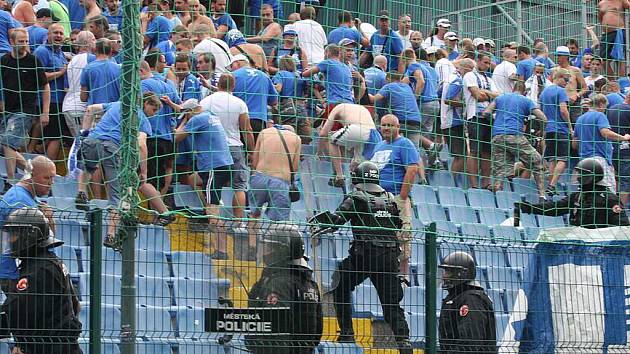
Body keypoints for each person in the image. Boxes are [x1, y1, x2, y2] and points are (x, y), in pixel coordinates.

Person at [309, 161, 412, 353]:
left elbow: (336, 220)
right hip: (389, 258)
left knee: (340, 283)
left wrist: (319, 222)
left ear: (357, 178)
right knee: (391, 305)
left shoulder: (356, 197)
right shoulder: (389, 198)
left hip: (363, 256)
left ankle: (347, 333)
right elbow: (397, 224)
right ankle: (404, 343)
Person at [76, 93, 174, 245]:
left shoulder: (118, 104)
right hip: (113, 148)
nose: (153, 114)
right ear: (145, 103)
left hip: (92, 140)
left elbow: (90, 109)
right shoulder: (142, 119)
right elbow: (141, 145)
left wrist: (84, 133)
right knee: (118, 195)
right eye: (153, 109)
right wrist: (144, 171)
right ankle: (110, 234)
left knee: (87, 167)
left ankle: (81, 192)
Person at [2, 208, 82, 354]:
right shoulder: (51, 262)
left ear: (29, 235)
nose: (9, 240)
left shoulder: (38, 270)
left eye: (13, 235)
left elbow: (13, 313)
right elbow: (76, 306)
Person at [245, 223, 323, 354]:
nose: (265, 252)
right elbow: (317, 333)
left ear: (281, 250)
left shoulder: (279, 283)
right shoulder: (311, 284)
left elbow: (273, 328)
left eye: (269, 248)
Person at [172, 100, 235, 259]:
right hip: (223, 165)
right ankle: (208, 207)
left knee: (213, 210)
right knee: (192, 180)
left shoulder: (196, 119)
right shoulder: (211, 116)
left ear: (190, 112)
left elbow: (176, 137)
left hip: (213, 167)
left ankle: (221, 250)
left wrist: (185, 120)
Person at [199, 72, 254, 245]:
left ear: (218, 84)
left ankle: (212, 220)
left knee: (213, 186)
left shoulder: (206, 102)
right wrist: (251, 151)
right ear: (234, 85)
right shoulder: (239, 103)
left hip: (213, 147)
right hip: (234, 146)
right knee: (239, 185)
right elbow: (247, 129)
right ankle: (238, 223)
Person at [368, 114, 419, 279]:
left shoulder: (405, 144)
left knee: (402, 237)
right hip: (379, 199)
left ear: (398, 127)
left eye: (390, 125)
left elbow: (412, 169)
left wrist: (402, 197)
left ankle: (402, 277)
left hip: (396, 198)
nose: (386, 128)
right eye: (384, 125)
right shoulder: (379, 146)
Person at [516, 157, 630, 228]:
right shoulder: (578, 196)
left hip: (601, 248)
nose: (579, 177)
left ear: (591, 176)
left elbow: (623, 226)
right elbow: (555, 208)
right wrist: (530, 208)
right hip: (581, 246)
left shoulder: (610, 199)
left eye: (582, 174)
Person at [0, 28, 50, 189]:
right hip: (7, 110)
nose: (25, 44)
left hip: (25, 110)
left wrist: (45, 112)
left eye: (26, 41)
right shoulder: (4, 61)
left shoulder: (33, 61)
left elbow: (45, 86)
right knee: (4, 145)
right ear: (12, 42)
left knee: (8, 141)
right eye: (21, 41)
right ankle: (34, 172)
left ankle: (10, 181)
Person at [0, 156, 56, 294]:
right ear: (31, 176)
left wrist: (49, 219)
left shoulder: (30, 197)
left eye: (53, 178)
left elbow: (47, 239)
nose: (51, 183)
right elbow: (26, 245)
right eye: (47, 178)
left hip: (21, 271)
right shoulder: (19, 200)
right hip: (14, 272)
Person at [483, 82, 547, 196]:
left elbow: (486, 112)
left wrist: (496, 122)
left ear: (513, 89)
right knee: (538, 162)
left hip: (497, 136)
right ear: (525, 91)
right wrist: (542, 130)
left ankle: (498, 194)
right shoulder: (526, 100)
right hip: (514, 135)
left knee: (500, 169)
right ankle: (542, 195)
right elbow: (543, 118)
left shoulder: (500, 98)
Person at [438, 251, 496, 353]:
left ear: (461, 273)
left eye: (448, 272)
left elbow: (470, 341)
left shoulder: (472, 299)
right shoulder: (457, 297)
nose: (444, 276)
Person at [573, 94, 630, 193]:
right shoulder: (600, 115)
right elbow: (605, 133)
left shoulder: (580, 119)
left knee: (589, 191)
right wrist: (623, 138)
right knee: (609, 190)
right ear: (601, 104)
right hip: (599, 159)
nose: (605, 110)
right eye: (605, 107)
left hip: (584, 161)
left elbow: (574, 144)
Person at [319, 103, 381, 187]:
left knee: (331, 139)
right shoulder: (359, 107)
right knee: (357, 163)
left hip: (357, 129)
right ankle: (356, 185)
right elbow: (359, 136)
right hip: (373, 134)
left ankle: (339, 175)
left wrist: (319, 152)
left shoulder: (338, 107)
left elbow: (323, 133)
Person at [33, 23, 69, 161]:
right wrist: (60, 72)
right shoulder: (42, 51)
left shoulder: (60, 53)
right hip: (47, 100)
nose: (59, 36)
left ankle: (38, 150)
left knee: (54, 135)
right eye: (55, 33)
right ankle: (49, 169)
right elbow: (37, 76)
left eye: (61, 33)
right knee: (56, 137)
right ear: (48, 35)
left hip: (59, 100)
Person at [463, 52, 499, 189]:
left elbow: (498, 96)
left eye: (489, 63)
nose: (487, 65)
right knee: (474, 150)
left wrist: (486, 93)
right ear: (478, 61)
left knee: (487, 152)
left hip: (489, 118)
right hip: (475, 117)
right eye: (485, 62)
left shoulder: (490, 80)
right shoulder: (469, 75)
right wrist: (488, 94)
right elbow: (477, 95)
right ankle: (473, 185)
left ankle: (486, 183)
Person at [540, 68, 573, 196]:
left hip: (549, 128)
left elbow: (541, 111)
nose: (567, 82)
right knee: (563, 159)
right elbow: (563, 111)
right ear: (558, 77)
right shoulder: (561, 91)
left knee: (552, 159)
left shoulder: (544, 93)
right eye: (565, 79)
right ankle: (552, 185)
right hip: (560, 129)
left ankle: (550, 184)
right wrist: (570, 126)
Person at [230, 54, 278, 139]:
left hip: (238, 120)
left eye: (231, 65)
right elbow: (274, 101)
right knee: (255, 150)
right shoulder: (264, 76)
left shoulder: (233, 75)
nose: (231, 68)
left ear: (237, 63)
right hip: (259, 120)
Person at [441, 58, 475, 179]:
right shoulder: (458, 80)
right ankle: (453, 182)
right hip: (453, 122)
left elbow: (439, 92)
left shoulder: (449, 78)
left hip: (448, 120)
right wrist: (466, 104)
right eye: (472, 69)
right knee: (461, 155)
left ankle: (455, 182)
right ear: (466, 68)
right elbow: (448, 99)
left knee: (462, 155)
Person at [80, 38, 120, 105]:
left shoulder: (88, 68)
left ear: (95, 50)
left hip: (95, 110)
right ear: (110, 51)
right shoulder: (119, 68)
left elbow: (83, 98)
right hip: (113, 109)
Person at [607, 92, 630, 204]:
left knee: (615, 179)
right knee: (625, 181)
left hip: (612, 149)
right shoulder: (628, 110)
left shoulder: (611, 109)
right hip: (626, 150)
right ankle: (620, 210)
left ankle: (612, 207)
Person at [596, 0, 629, 77]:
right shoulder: (601, 3)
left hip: (618, 31)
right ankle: (612, 83)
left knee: (619, 58)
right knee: (603, 60)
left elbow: (628, 6)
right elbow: (600, 17)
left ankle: (621, 82)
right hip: (606, 34)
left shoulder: (621, 0)